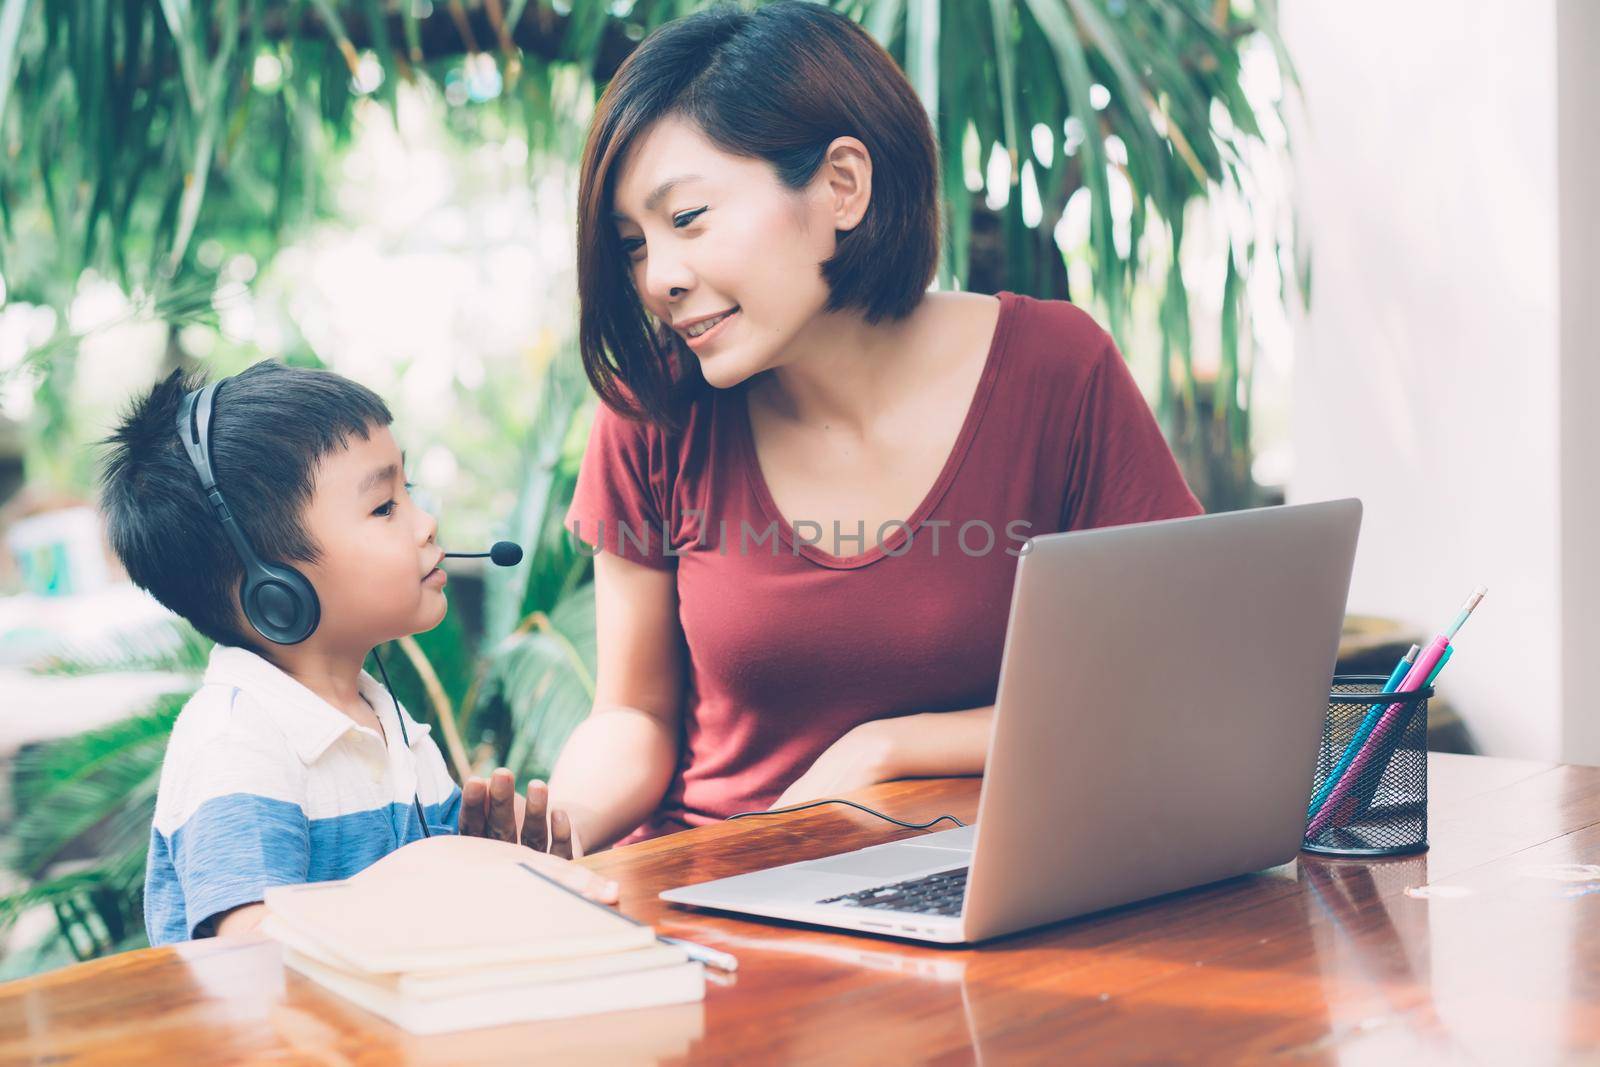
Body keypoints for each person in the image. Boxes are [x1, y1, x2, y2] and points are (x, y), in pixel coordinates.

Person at [544, 2, 1203, 852]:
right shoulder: (654, 409)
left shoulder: (1055, 369)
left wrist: (887, 748)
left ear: (841, 186)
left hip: (987, 877)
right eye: (632, 244)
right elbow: (631, 713)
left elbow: (1164, 683)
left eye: (687, 219)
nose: (658, 277)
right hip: (718, 889)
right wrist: (540, 841)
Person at [100, 361, 614, 947]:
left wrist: (495, 861)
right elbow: (249, 949)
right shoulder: (237, 741)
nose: (427, 524)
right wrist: (427, 871)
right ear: (275, 591)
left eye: (408, 492)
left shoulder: (388, 723)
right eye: (384, 507)